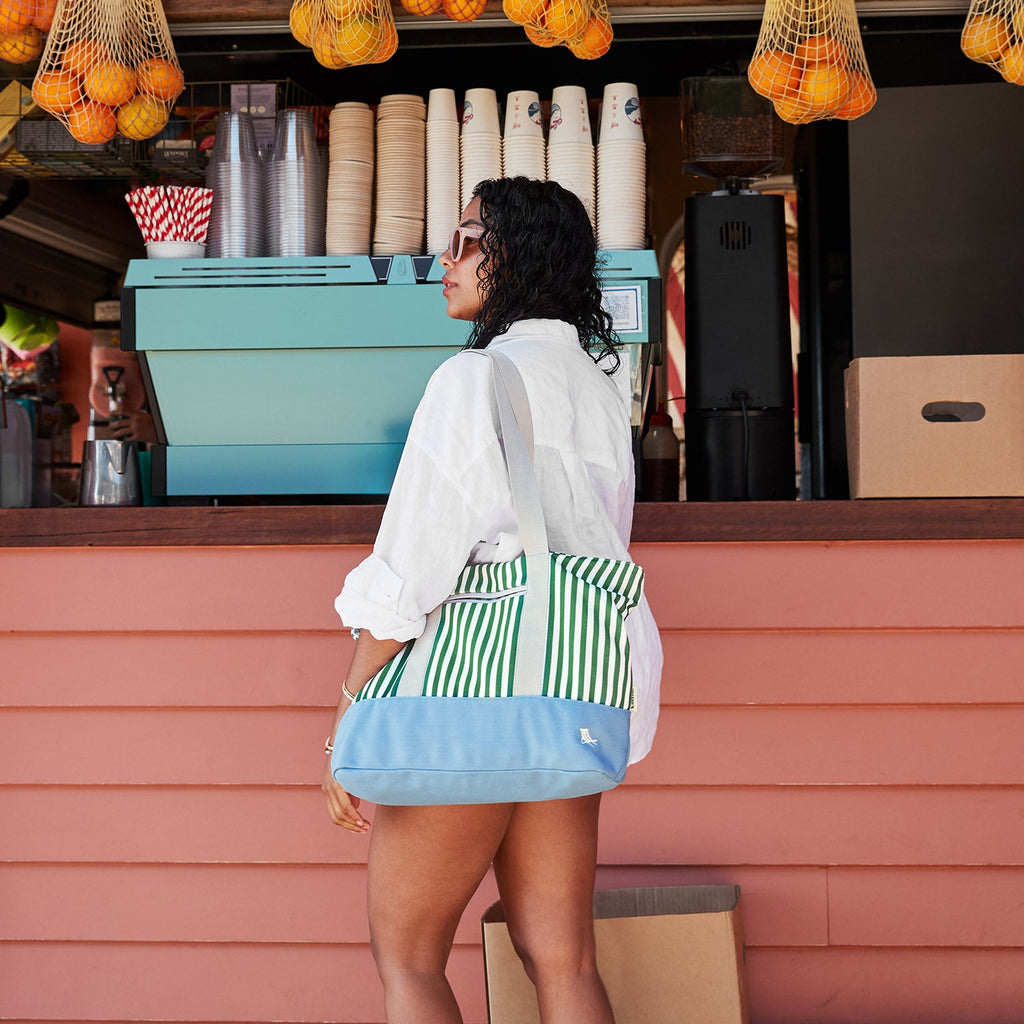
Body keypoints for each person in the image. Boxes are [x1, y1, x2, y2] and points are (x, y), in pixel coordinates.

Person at [322, 176, 663, 1024]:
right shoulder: (593, 382)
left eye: (469, 238)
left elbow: (412, 563)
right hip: (567, 685)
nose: (447, 259)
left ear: (519, 253)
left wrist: (351, 700)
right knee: (562, 957)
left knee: (408, 958)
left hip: (469, 693)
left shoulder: (471, 378)